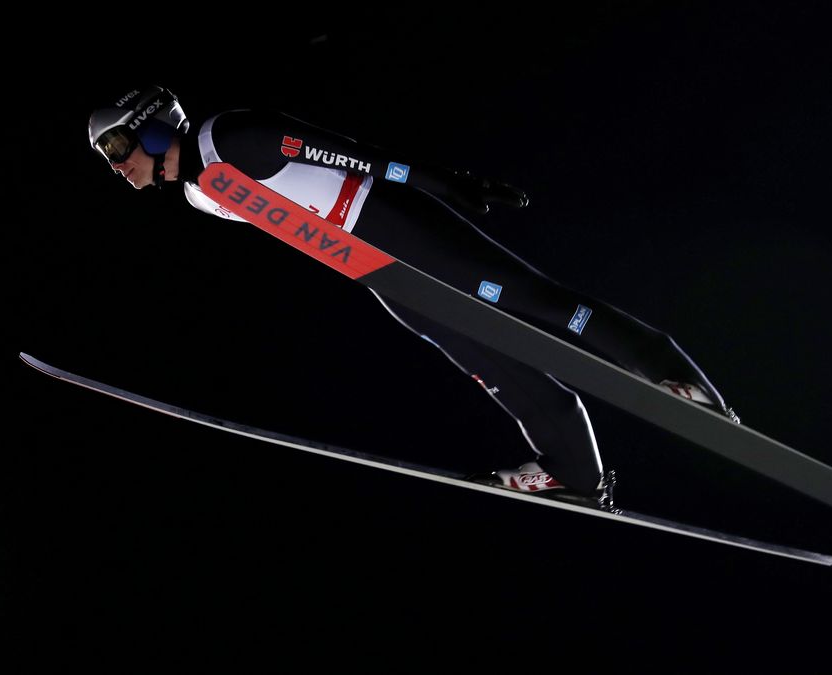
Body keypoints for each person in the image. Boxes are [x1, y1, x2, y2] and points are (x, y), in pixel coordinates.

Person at [86, 85, 740, 510]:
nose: (118, 165)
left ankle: (671, 376)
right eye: (107, 157)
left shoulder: (225, 138)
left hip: (390, 223)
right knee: (494, 363)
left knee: (535, 304)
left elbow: (344, 154)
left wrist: (439, 182)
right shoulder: (199, 193)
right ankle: (576, 473)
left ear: (149, 128)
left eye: (117, 145)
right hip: (372, 267)